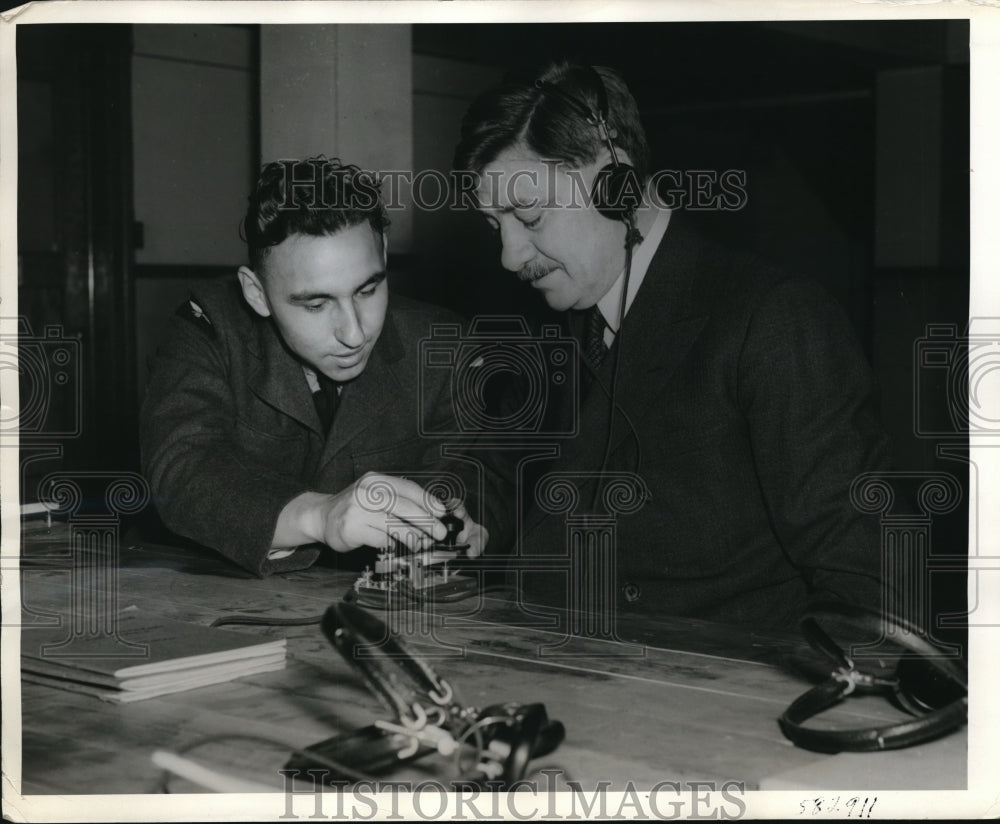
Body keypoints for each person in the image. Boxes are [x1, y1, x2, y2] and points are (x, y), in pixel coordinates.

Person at [453, 61, 891, 628]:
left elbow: (864, 578)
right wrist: (457, 513)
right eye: (494, 227)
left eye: (530, 217)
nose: (510, 256)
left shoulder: (775, 319)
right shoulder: (556, 317)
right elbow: (505, 469)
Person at [141, 157, 498, 576]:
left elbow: (479, 476)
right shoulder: (210, 330)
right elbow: (183, 470)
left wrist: (467, 517)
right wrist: (320, 516)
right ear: (256, 294)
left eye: (368, 290)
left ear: (383, 253)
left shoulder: (442, 345)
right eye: (316, 304)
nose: (353, 333)